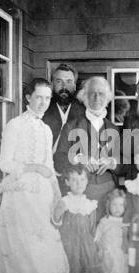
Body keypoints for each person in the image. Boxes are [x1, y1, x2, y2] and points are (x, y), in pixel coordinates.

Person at [0, 78, 69, 273]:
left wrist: (57, 196)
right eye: (39, 97)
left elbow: (50, 167)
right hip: (20, 199)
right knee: (25, 260)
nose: (43, 103)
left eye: (47, 98)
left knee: (48, 259)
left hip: (42, 200)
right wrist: (34, 167)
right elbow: (4, 163)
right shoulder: (15, 125)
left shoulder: (46, 129)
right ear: (28, 97)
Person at [55, 76, 120, 222]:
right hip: (81, 191)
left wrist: (113, 163)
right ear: (85, 97)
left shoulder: (113, 128)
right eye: (92, 93)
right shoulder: (71, 126)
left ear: (107, 98)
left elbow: (124, 164)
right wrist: (79, 160)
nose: (97, 97)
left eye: (101, 93)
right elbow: (58, 159)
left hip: (108, 193)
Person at [52, 164, 104, 273]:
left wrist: (95, 245)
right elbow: (55, 224)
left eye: (82, 180)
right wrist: (57, 214)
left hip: (85, 248)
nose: (78, 183)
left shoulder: (90, 204)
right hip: (69, 247)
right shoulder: (64, 202)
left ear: (87, 182)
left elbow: (92, 229)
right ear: (67, 182)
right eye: (74, 180)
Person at [43, 63, 85, 193]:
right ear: (52, 84)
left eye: (69, 82)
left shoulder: (84, 112)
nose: (64, 87)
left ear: (74, 85)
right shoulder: (42, 110)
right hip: (45, 176)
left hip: (74, 180)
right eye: (59, 81)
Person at [94, 189, 131, 273]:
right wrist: (100, 250)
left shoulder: (126, 222)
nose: (117, 208)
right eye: (114, 204)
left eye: (121, 205)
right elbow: (97, 239)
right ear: (108, 205)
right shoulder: (104, 221)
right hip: (108, 257)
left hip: (122, 258)